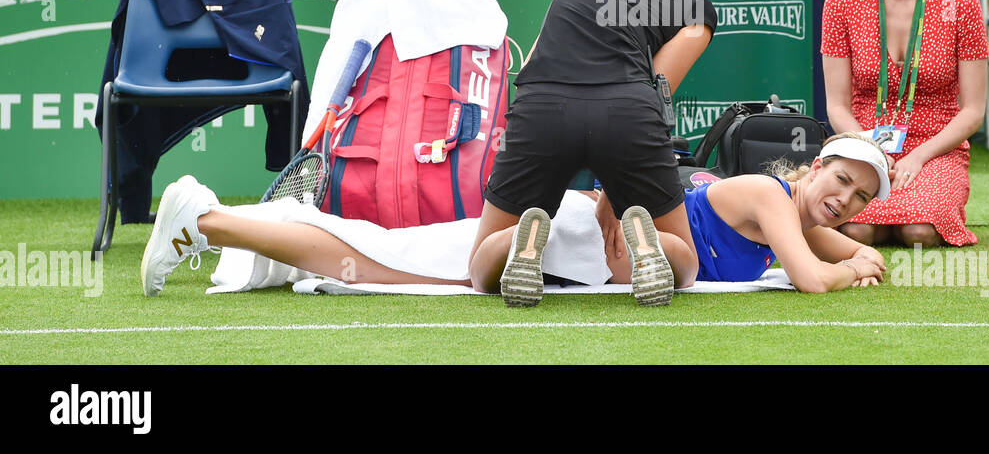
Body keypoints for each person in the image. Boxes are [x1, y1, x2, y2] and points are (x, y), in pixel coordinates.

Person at [139, 133, 889, 297]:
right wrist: (848, 263)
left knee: (379, 255)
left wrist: (848, 251)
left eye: (858, 199)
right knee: (367, 260)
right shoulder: (767, 192)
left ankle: (511, 248)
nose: (844, 202)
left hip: (577, 243)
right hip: (595, 248)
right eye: (842, 180)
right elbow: (816, 279)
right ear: (816, 163)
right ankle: (203, 221)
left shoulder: (791, 208)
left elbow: (834, 256)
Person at [468, 0, 730, 307]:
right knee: (686, 262)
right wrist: (618, 189)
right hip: (626, 112)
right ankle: (648, 243)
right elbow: (657, 87)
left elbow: (534, 62)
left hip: (541, 108)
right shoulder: (696, 6)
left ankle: (520, 239)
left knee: (481, 270)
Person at [821, 0, 987, 247]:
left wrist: (918, 156)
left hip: (935, 146)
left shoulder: (961, 2)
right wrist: (867, 147)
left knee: (919, 232)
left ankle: (931, 198)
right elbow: (836, 105)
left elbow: (974, 111)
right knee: (857, 229)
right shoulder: (841, 0)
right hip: (863, 143)